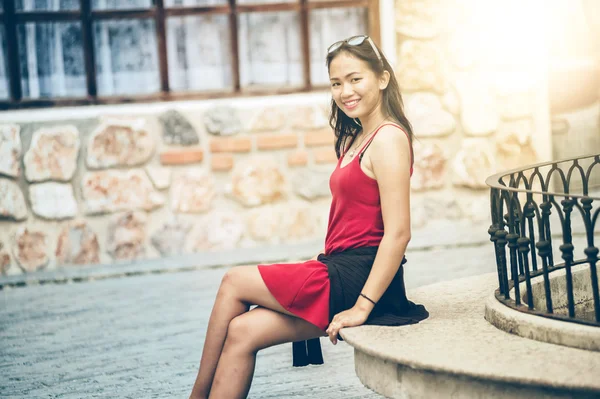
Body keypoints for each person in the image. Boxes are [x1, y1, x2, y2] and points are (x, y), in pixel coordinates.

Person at [188, 34, 429, 399]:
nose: (345, 90)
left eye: (355, 78)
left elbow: (398, 234)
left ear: (382, 78)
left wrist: (362, 307)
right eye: (336, 83)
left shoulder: (388, 138)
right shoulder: (357, 138)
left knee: (233, 282)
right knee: (242, 332)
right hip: (340, 269)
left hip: (360, 276)